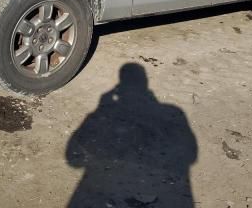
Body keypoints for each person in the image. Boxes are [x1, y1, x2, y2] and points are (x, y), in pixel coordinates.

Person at [66, 63, 197, 207]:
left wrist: (102, 106)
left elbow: (73, 160)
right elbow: (191, 154)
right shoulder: (174, 111)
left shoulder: (171, 112)